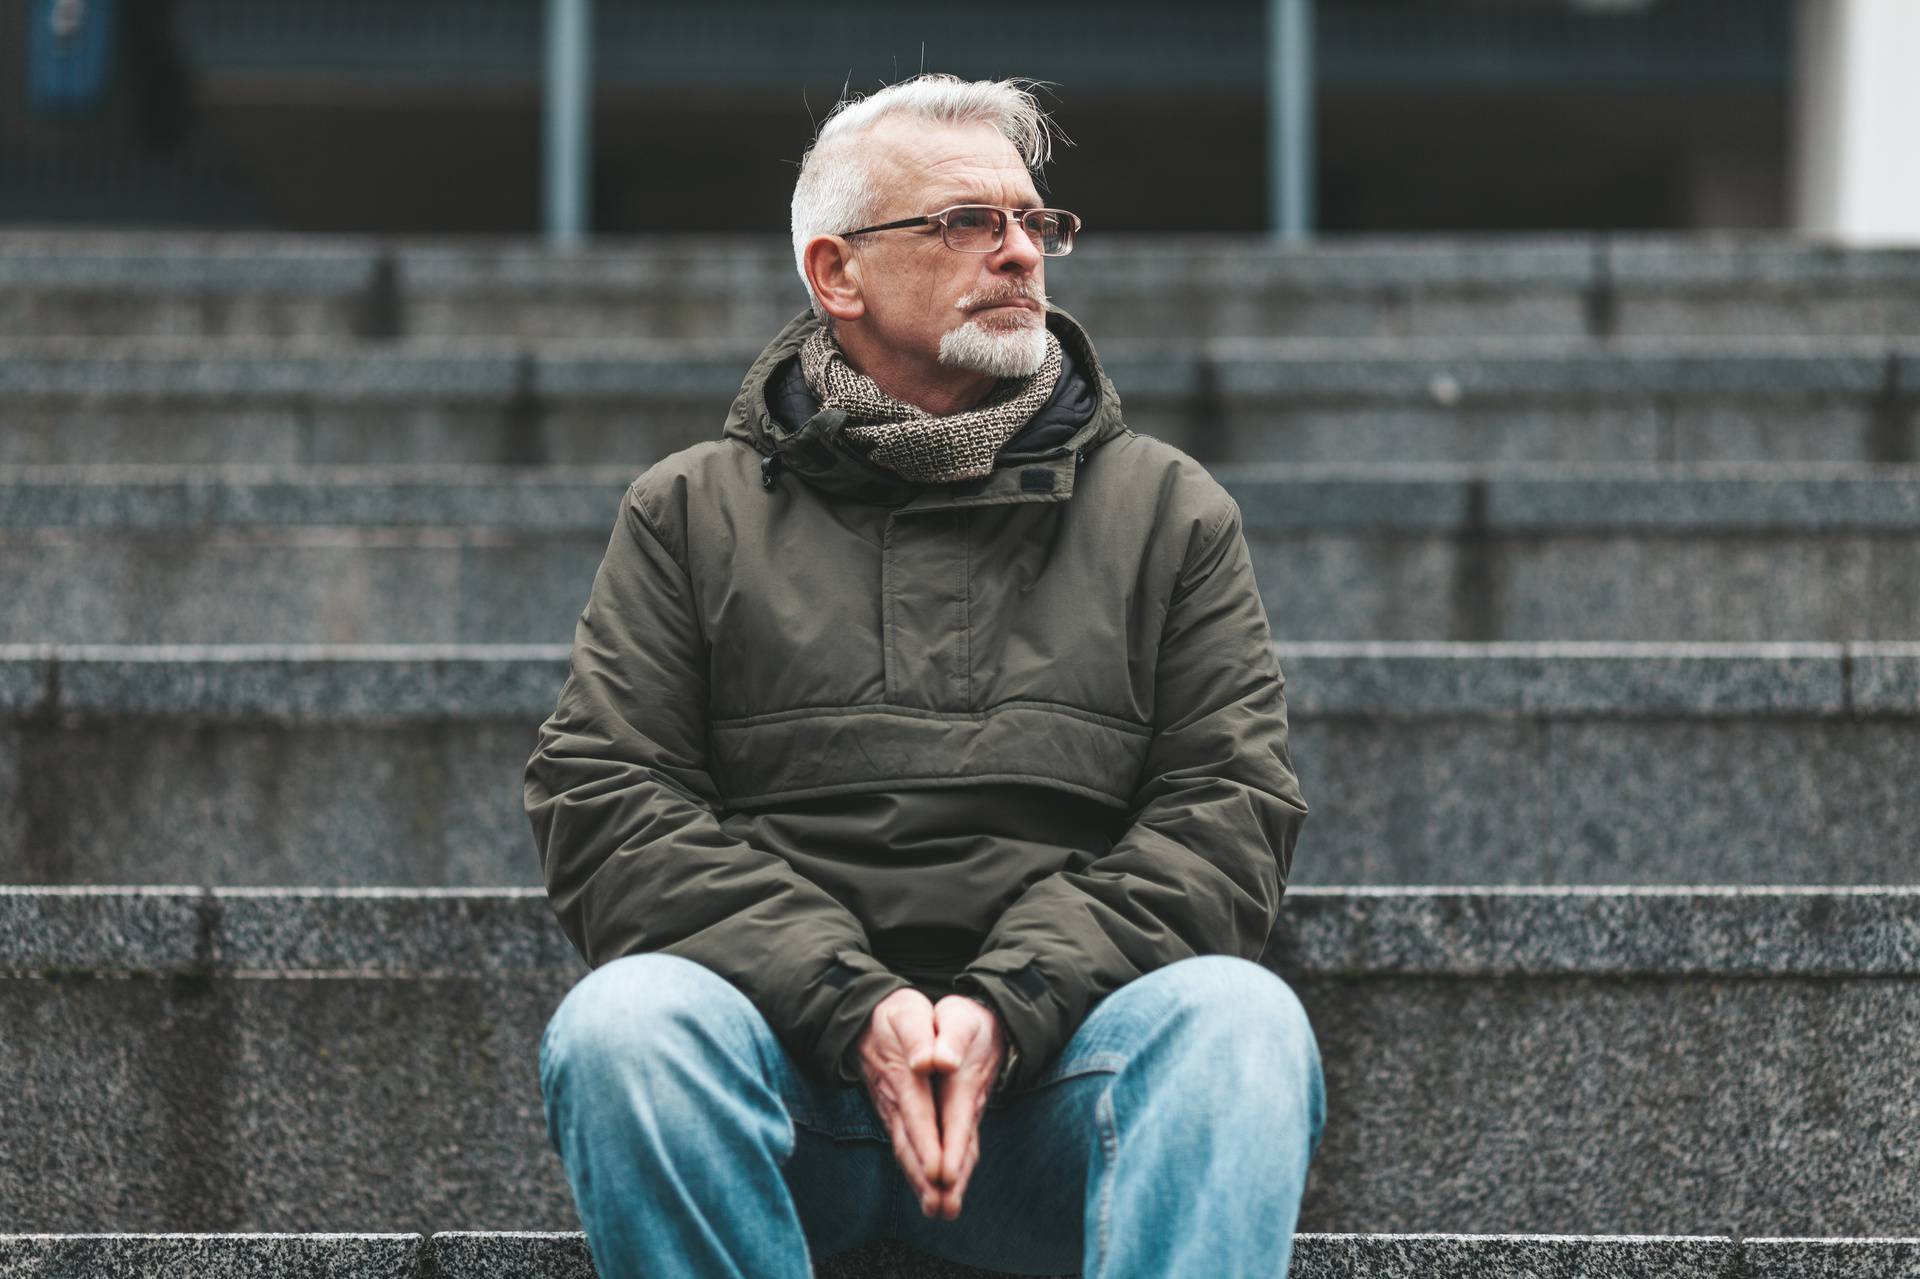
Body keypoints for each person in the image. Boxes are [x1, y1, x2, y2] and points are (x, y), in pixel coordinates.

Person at [524, 72, 1324, 1279]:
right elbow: (605, 800)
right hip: (786, 1092)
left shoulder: (1167, 508)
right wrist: (854, 1007)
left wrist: (1009, 1003)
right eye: (966, 222)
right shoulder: (691, 511)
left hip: (1060, 1094)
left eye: (1033, 223)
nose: (1018, 252)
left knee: (1242, 1021)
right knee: (623, 1027)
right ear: (836, 273)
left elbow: (1232, 811)